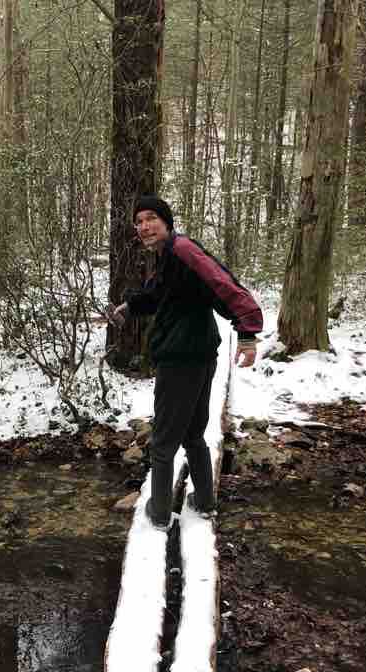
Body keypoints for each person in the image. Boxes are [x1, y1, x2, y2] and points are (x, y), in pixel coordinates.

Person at [108, 195, 263, 530]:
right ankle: (205, 502)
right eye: (139, 221)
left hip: (181, 360)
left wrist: (248, 331)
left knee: (163, 441)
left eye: (151, 218)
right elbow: (160, 294)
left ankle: (159, 512)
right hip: (198, 354)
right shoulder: (168, 256)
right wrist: (130, 306)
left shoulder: (183, 250)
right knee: (193, 433)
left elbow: (225, 286)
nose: (144, 226)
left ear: (166, 221)